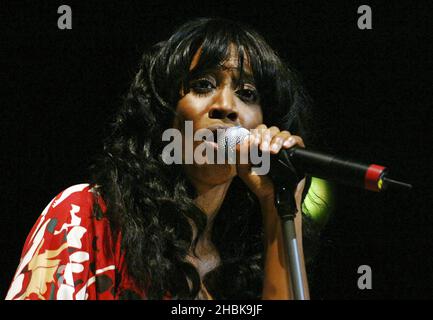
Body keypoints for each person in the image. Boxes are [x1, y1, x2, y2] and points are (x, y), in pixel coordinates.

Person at [6, 17, 320, 300]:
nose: (226, 106)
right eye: (203, 85)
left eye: (247, 93)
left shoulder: (245, 267)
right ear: (164, 113)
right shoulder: (87, 216)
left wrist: (277, 205)